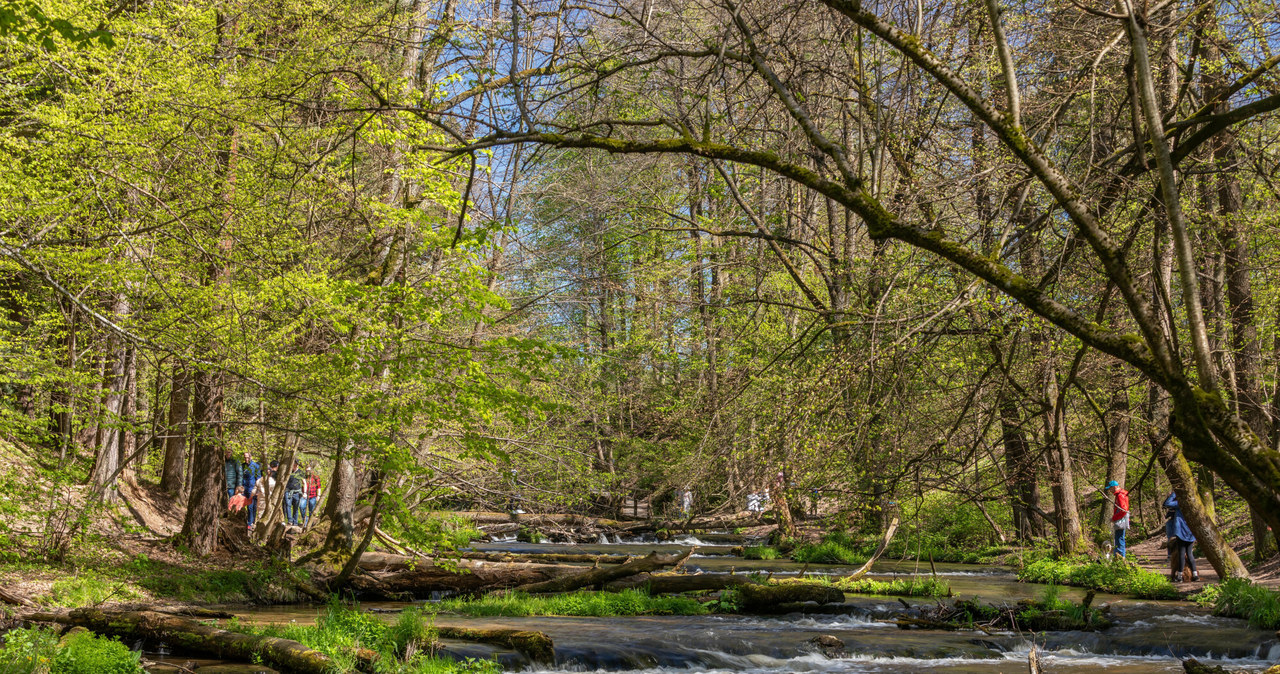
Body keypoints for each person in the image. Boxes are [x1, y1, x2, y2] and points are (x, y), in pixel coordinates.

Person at [1165, 492, 1199, 582]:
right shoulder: (1193, 504)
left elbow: (1167, 503)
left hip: (1180, 532)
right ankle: (1195, 575)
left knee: (1181, 554)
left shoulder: (1180, 504)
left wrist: (1174, 493)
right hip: (1190, 532)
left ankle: (1179, 576)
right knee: (1190, 554)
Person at [1104, 480, 1130, 558]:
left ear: (1115, 487)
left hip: (1121, 520)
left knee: (1119, 539)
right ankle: (1119, 556)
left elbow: (1123, 510)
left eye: (1110, 488)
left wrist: (1114, 518)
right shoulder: (1120, 494)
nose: (1110, 490)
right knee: (1119, 538)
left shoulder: (1120, 495)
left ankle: (1121, 557)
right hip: (1121, 519)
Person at [251, 463, 276, 531]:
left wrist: (250, 497)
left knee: (261, 514)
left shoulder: (259, 481)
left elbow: (253, 491)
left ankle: (261, 530)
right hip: (268, 499)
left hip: (262, 499)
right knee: (268, 513)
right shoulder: (272, 481)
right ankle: (267, 530)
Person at [242, 451, 262, 529]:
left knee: (251, 506)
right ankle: (245, 521)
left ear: (250, 457)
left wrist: (258, 489)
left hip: (252, 488)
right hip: (244, 488)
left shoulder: (255, 466)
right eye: (245, 457)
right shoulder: (242, 466)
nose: (246, 459)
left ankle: (250, 523)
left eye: (247, 457)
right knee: (243, 505)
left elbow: (258, 478)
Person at [284, 461, 306, 526]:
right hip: (288, 491)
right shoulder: (288, 472)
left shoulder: (300, 472)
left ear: (296, 465)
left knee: (296, 508)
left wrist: (304, 492)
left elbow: (304, 483)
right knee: (288, 505)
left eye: (293, 465)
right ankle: (290, 520)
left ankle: (295, 522)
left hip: (297, 492)